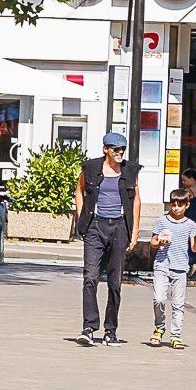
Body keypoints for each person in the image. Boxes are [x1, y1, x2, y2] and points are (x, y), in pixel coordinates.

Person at [73, 131, 145, 345]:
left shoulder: (130, 170)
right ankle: (89, 327)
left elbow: (136, 201)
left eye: (122, 149)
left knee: (115, 282)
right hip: (96, 227)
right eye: (116, 149)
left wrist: (135, 231)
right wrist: (81, 217)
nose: (120, 153)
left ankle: (110, 330)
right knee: (90, 277)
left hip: (119, 227)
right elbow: (79, 191)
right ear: (106, 149)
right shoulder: (91, 168)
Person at [146, 190, 196, 349]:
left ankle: (176, 335)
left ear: (187, 205)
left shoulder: (191, 224)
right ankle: (160, 326)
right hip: (162, 265)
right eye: (173, 205)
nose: (176, 208)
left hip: (180, 267)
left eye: (180, 205)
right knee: (159, 299)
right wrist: (159, 243)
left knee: (178, 304)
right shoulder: (162, 221)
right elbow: (152, 242)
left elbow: (194, 248)